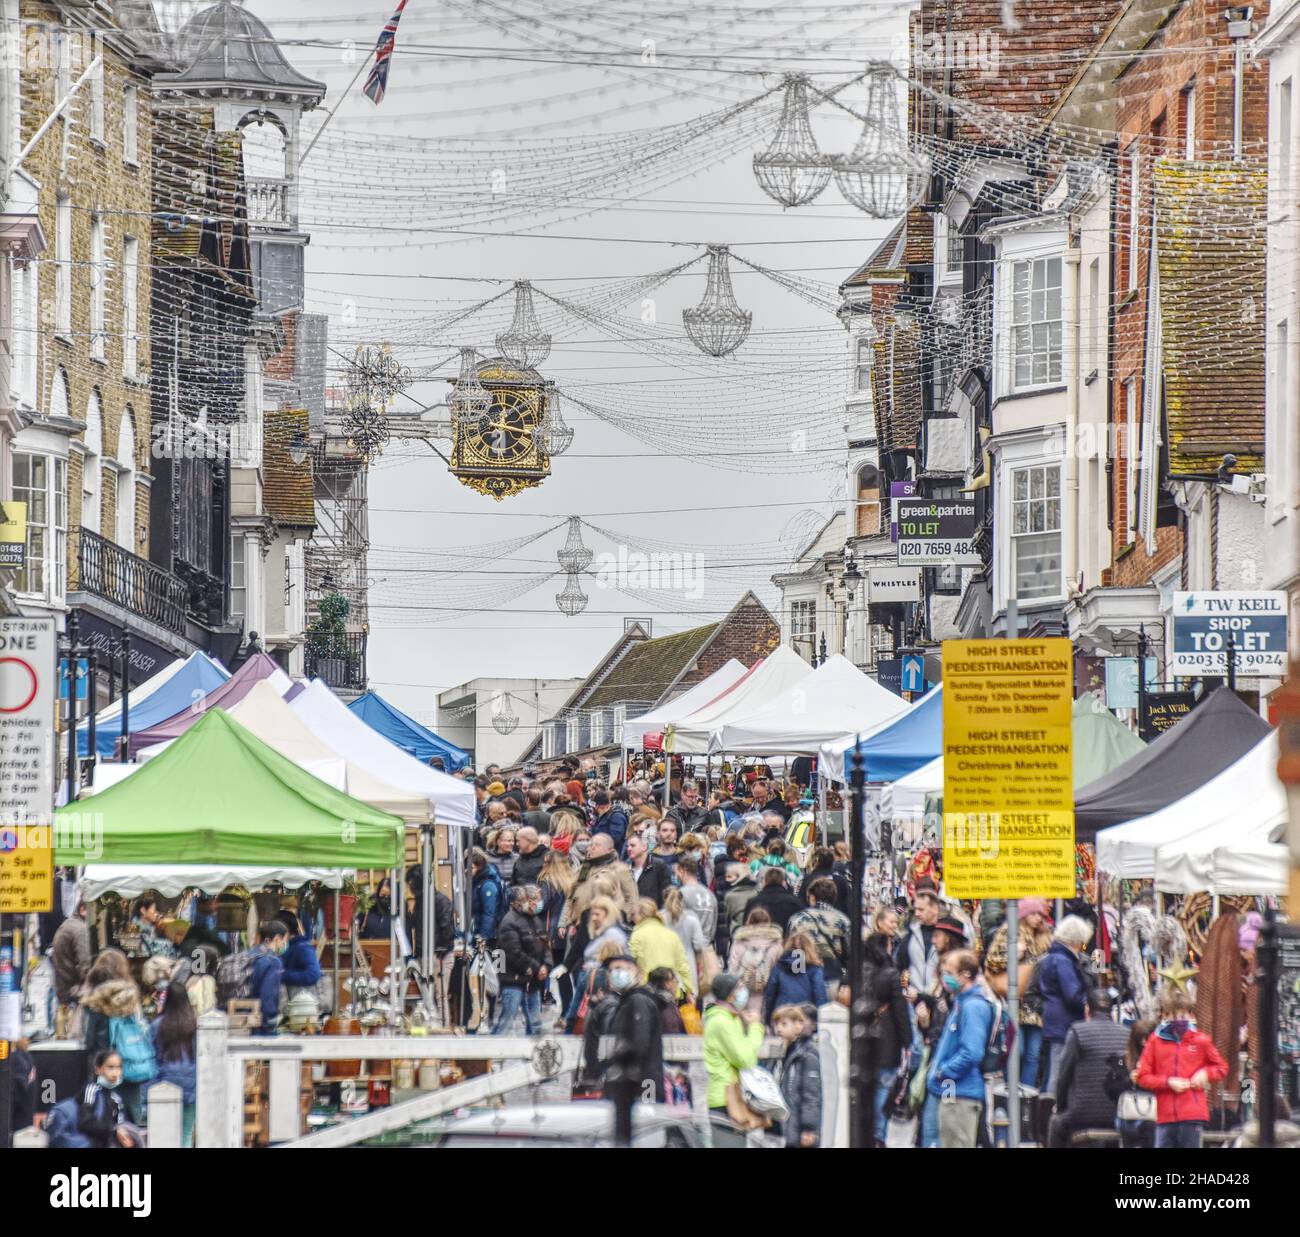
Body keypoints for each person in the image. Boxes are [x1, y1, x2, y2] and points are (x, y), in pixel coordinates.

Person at [1135, 987, 1229, 1149]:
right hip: (1165, 1116)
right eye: (1172, 1015)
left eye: (1182, 1015)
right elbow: (1143, 1076)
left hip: (1193, 1114)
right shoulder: (1155, 1042)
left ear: (1191, 1015)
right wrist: (1168, 1082)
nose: (1178, 1020)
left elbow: (1221, 1067)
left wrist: (1205, 1074)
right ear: (1164, 1016)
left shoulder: (1201, 1041)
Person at [927, 950, 996, 1149]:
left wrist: (944, 1071)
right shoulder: (962, 1003)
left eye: (949, 971)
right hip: (953, 1089)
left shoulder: (973, 1006)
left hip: (958, 1090)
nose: (944, 977)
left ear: (965, 974)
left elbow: (972, 1052)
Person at [1046, 987, 1130, 1148]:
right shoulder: (1126, 1034)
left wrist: (1061, 1106)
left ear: (1087, 1010)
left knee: (1056, 1123)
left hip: (1082, 1114)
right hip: (1119, 1114)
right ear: (1111, 1011)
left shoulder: (1078, 1031)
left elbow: (1063, 1075)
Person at [983, 897, 1052, 1090]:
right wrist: (1013, 954)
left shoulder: (1044, 938)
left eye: (1041, 914)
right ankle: (1010, 1090)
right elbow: (991, 961)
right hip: (1014, 1001)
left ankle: (1026, 1097)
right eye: (1034, 913)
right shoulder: (1009, 931)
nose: (1039, 918)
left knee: (1033, 1054)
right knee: (1016, 1051)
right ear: (1024, 913)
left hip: (1036, 1004)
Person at [80, 950, 153, 1124]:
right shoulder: (131, 999)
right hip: (130, 1067)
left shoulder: (94, 1004)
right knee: (131, 1120)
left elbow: (89, 1041)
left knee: (102, 1117)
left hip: (103, 1069)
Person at [703, 973, 765, 1145]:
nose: (743, 992)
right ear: (730, 994)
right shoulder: (721, 1021)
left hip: (732, 1095)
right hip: (725, 1098)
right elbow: (745, 1058)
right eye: (739, 987)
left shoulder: (730, 1018)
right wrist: (755, 1028)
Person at [863, 928, 912, 1148]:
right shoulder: (891, 975)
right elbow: (901, 1012)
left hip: (863, 1039)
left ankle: (868, 1132)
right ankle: (878, 1135)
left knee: (869, 1088)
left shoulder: (858, 971)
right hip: (887, 1039)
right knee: (883, 1088)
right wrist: (908, 1041)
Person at [1039, 915, 1094, 1092]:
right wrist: (1085, 1003)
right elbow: (1072, 994)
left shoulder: (1052, 957)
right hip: (1064, 1020)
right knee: (1059, 1069)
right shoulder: (1063, 961)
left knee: (1056, 1066)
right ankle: (1051, 1110)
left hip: (1055, 1018)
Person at [607, 953, 666, 1102]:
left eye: (624, 968)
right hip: (635, 1083)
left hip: (645, 1082)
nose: (618, 973)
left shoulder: (638, 1001)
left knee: (648, 1121)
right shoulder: (627, 1001)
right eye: (613, 969)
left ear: (638, 973)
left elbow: (640, 1045)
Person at [494, 885, 550, 1035]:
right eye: (532, 900)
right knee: (507, 1019)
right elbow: (513, 952)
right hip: (514, 978)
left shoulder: (535, 919)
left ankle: (532, 1052)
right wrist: (537, 967)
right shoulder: (509, 922)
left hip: (532, 979)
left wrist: (545, 966)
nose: (535, 904)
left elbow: (544, 944)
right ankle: (492, 1052)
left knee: (535, 1023)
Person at [150, 980, 198, 1146]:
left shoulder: (157, 1025)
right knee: (186, 1133)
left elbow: (153, 1055)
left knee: (164, 1134)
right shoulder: (194, 1025)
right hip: (192, 1082)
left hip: (165, 1081)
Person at [788, 877, 850, 993]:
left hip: (805, 979)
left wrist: (797, 978)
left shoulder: (798, 919)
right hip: (833, 979)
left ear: (812, 897)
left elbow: (794, 951)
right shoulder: (842, 921)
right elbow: (849, 954)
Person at [772, 1004, 822, 1147]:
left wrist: (808, 1128)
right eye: (776, 1024)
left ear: (798, 1025)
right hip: (784, 1127)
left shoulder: (807, 1055)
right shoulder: (780, 1053)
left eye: (784, 1024)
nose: (778, 1029)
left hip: (799, 1128)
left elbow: (811, 1095)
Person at [727, 906, 784, 1019]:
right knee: (759, 1020)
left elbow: (733, 968)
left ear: (748, 922)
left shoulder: (739, 940)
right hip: (765, 989)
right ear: (768, 922)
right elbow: (779, 969)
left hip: (742, 988)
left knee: (741, 1020)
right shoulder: (775, 943)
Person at [629, 898, 694, 997]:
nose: (631, 918)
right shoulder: (672, 935)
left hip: (647, 990)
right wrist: (688, 991)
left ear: (642, 915)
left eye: (633, 914)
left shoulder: (637, 935)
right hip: (671, 989)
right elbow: (683, 965)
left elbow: (632, 962)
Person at [79, 1050, 140, 1148]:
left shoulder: (116, 1099)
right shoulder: (91, 1091)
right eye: (110, 1067)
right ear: (98, 1069)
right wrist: (113, 1130)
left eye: (118, 1067)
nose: (115, 1073)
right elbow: (86, 1123)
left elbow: (119, 1125)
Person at [763, 932, 827, 1025]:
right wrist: (820, 1021)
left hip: (782, 1013)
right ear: (810, 948)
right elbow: (820, 995)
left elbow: (770, 994)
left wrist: (767, 1019)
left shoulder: (779, 966)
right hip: (805, 1014)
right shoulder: (815, 968)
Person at [1118, 1018, 1158, 1148]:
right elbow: (1111, 1088)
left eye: (1147, 1039)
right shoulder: (1123, 1060)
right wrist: (1129, 1080)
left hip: (1154, 1114)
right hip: (1128, 1115)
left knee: (1151, 1127)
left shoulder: (1162, 1061)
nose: (1144, 1044)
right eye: (1141, 1040)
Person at [662, 888, 709, 996]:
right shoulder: (691, 919)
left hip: (665, 963)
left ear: (664, 899)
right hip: (688, 962)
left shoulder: (660, 919)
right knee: (689, 998)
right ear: (682, 900)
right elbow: (699, 945)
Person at [895, 888, 942, 994]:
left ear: (934, 909)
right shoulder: (910, 935)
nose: (916, 913)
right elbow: (900, 965)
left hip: (938, 1000)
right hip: (913, 998)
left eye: (921, 909)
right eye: (915, 909)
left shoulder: (945, 935)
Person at [277, 909, 322, 1017]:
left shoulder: (302, 947)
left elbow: (313, 974)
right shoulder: (287, 947)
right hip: (292, 1008)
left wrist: (282, 975)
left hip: (304, 1007)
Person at [51, 900, 90, 1020]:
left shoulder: (68, 924)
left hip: (63, 987)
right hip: (72, 991)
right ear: (83, 910)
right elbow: (85, 963)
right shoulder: (80, 929)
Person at [250, 920, 289, 1036]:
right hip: (261, 1025)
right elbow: (268, 996)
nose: (284, 945)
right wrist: (271, 1023)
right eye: (285, 941)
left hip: (243, 1020)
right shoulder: (273, 961)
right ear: (277, 939)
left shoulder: (250, 954)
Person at [746, 866, 802, 932]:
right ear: (783, 882)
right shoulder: (795, 902)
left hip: (762, 939)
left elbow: (747, 926)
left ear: (765, 881)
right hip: (787, 940)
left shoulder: (754, 902)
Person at [676, 854, 717, 944]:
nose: (677, 876)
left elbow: (677, 923)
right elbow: (714, 926)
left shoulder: (681, 894)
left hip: (687, 948)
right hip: (706, 947)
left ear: (682, 871)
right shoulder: (710, 895)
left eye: (677, 872)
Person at [626, 830, 671, 907]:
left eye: (633, 845)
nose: (629, 849)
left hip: (652, 914)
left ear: (644, 847)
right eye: (628, 846)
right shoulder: (625, 868)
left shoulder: (658, 865)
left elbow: (667, 892)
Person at [470, 848, 505, 944]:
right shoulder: (476, 881)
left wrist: (483, 937)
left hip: (489, 935)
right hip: (478, 928)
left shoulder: (487, 885)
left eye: (471, 868)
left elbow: (489, 913)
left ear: (479, 867)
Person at [801, 847, 850, 913]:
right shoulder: (841, 880)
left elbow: (801, 903)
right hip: (837, 919)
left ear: (816, 861)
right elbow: (848, 904)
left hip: (812, 919)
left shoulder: (807, 880)